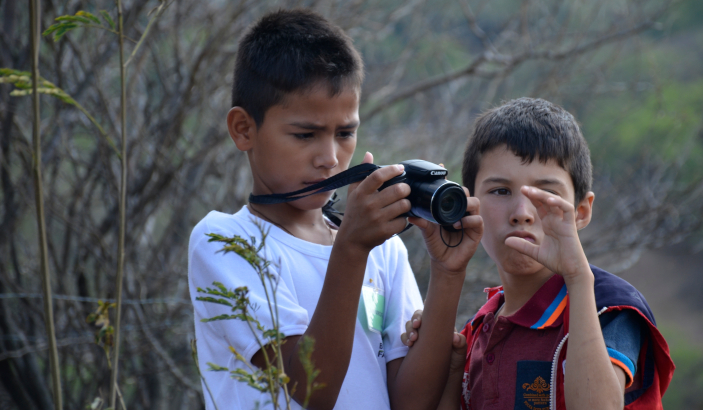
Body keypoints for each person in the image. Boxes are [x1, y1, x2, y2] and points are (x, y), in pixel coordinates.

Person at [188, 9, 483, 410]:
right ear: (243, 129)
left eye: (345, 133)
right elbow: (312, 391)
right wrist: (351, 248)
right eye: (305, 134)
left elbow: (413, 402)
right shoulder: (225, 242)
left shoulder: (384, 251)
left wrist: (448, 273)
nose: (329, 158)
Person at [402, 98, 674, 410]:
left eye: (545, 195)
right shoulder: (478, 329)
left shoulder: (608, 308)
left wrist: (577, 277)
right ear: (469, 206)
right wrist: (451, 371)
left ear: (582, 211)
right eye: (501, 191)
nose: (522, 213)